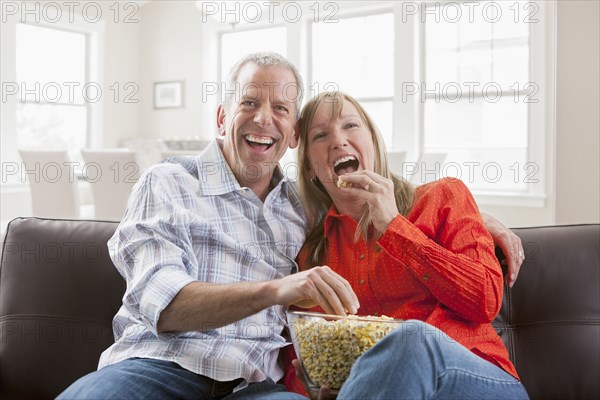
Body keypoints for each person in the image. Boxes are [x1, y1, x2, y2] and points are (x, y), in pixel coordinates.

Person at [58, 52, 524, 399]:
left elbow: (480, 295)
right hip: (166, 368)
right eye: (320, 134)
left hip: (455, 374)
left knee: (409, 341)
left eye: (282, 108)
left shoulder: (420, 200)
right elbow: (174, 308)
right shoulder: (303, 229)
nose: (265, 117)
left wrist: (458, 222)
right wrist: (312, 375)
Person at [284, 91, 529, 399]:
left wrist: (395, 229)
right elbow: (301, 361)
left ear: (372, 142)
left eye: (350, 126)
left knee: (410, 339)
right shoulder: (314, 256)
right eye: (320, 135)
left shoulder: (443, 197)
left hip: (479, 380)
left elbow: (485, 299)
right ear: (310, 168)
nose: (338, 140)